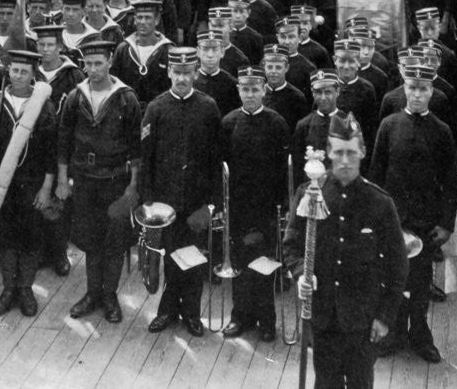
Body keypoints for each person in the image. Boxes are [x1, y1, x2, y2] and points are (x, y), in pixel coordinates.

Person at [285, 111, 409, 388]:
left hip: (363, 319)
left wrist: (385, 317)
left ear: (363, 152)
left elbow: (397, 264)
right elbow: (292, 243)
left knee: (360, 383)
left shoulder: (379, 202)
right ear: (327, 151)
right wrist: (299, 274)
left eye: (351, 153)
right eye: (338, 152)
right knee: (325, 383)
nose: (344, 161)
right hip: (323, 317)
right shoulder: (310, 193)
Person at [366, 65, 457, 363]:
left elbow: (450, 182)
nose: (417, 94)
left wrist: (446, 224)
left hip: (425, 224)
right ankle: (392, 334)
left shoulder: (442, 131)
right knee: (391, 281)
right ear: (404, 89)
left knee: (419, 284)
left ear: (432, 92)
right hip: (392, 222)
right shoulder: (389, 126)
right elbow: (375, 176)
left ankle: (420, 334)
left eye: (424, 89)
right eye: (412, 88)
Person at [56, 40, 142, 324]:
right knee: (91, 240)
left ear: (110, 63)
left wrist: (133, 187)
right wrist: (62, 180)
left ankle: (110, 296)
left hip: (116, 181)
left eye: (98, 63)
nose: (92, 70)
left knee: (115, 241)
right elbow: (64, 142)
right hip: (84, 180)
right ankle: (93, 293)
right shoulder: (75, 97)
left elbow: (136, 149)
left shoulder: (126, 98)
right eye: (88, 64)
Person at [141, 48, 223, 337]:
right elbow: (147, 157)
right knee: (171, 257)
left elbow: (216, 159)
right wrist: (148, 201)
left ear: (195, 73)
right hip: (166, 203)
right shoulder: (156, 108)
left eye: (188, 73)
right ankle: (166, 310)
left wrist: (212, 205)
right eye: (177, 73)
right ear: (169, 73)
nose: (182, 79)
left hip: (197, 201)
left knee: (195, 258)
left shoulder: (208, 106)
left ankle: (191, 313)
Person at [0, 50, 59, 317]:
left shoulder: (43, 107)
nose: (19, 76)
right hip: (2, 183)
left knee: (32, 236)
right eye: (14, 70)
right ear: (7, 71)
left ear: (33, 73)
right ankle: (8, 288)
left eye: (24, 71)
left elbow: (50, 152)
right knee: (6, 237)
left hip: (32, 182)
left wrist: (47, 188)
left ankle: (25, 288)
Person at [218, 66, 290, 342]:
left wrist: (281, 209)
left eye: (254, 89)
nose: (250, 94)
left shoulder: (277, 123)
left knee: (264, 266)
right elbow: (220, 169)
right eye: (245, 89)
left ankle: (267, 321)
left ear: (264, 91)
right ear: (238, 91)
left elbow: (284, 172)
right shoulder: (228, 123)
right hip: (237, 208)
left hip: (266, 209)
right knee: (238, 265)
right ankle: (240, 317)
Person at [112, 0, 174, 109]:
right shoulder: (123, 49)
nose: (143, 22)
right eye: (140, 17)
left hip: (159, 111)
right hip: (129, 111)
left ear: (157, 20)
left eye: (148, 17)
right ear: (135, 20)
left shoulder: (167, 50)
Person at [194, 30, 240, 116]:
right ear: (198, 52)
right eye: (205, 49)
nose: (210, 55)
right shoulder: (191, 82)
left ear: (222, 52)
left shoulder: (232, 84)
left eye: (215, 49)